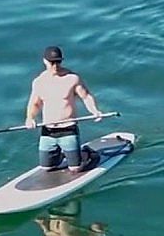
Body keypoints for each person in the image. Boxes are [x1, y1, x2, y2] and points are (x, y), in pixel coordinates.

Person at [24, 46, 105, 174]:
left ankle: (86, 153)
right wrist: (30, 118)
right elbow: (35, 104)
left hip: (68, 129)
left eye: (58, 62)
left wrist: (94, 111)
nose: (55, 66)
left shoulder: (72, 78)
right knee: (47, 168)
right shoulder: (39, 82)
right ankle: (63, 154)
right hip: (48, 131)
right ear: (45, 61)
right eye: (52, 62)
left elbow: (86, 96)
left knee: (75, 169)